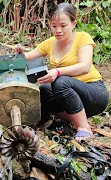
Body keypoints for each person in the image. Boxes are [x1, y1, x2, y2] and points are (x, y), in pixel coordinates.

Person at [15, 2, 109, 142]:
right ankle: (73, 121)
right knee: (45, 88)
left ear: (73, 23)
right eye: (54, 26)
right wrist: (20, 53)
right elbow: (28, 57)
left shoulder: (82, 38)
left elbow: (85, 66)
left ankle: (84, 128)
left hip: (94, 93)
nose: (58, 30)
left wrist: (57, 71)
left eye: (63, 26)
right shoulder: (50, 43)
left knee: (60, 82)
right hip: (70, 97)